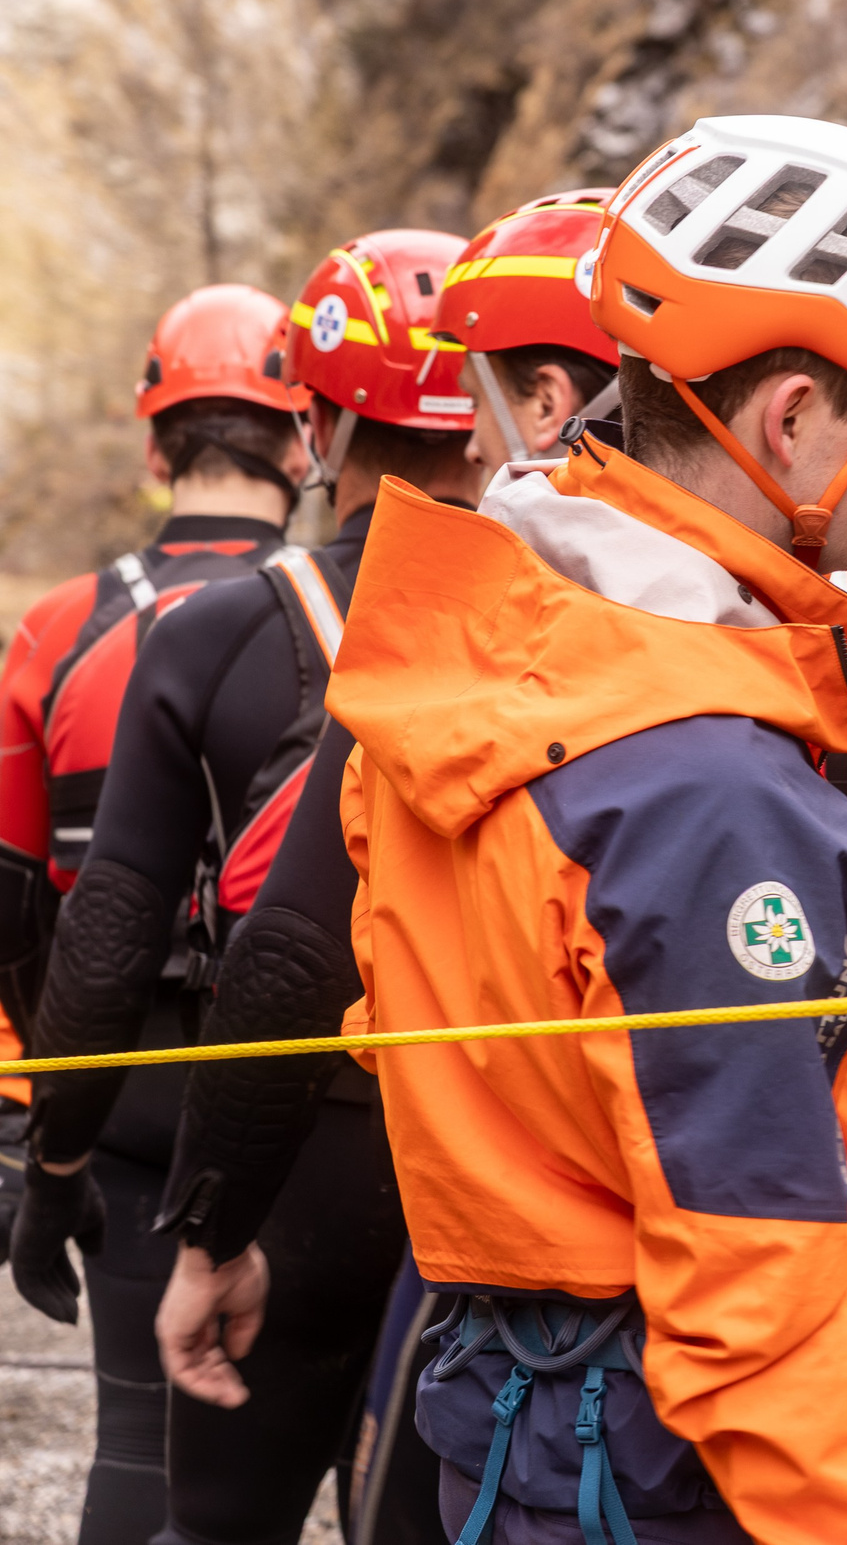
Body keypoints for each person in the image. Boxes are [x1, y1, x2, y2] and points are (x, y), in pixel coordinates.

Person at [323, 114, 847, 1544]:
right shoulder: (699, 787)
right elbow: (751, 1308)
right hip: (675, 1471)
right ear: (793, 418)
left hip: (520, 1419)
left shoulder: (491, 647)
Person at [147, 192, 625, 1545]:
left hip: (449, 1211)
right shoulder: (819, 638)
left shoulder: (440, 621)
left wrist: (192, 1218)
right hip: (719, 1255)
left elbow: (283, 951)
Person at [11, 233, 484, 1545]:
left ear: (318, 422)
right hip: (505, 1154)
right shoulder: (573, 621)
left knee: (215, 1518)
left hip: (302, 1152)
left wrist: (57, 1165)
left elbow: (104, 942)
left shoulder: (212, 632)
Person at [0, 283, 309, 1542]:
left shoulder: (59, 629)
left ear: (153, 444)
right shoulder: (347, 616)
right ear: (304, 439)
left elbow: (20, 901)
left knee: (139, 1435)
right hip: (320, 1091)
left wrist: (40, 1130)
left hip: (122, 1100)